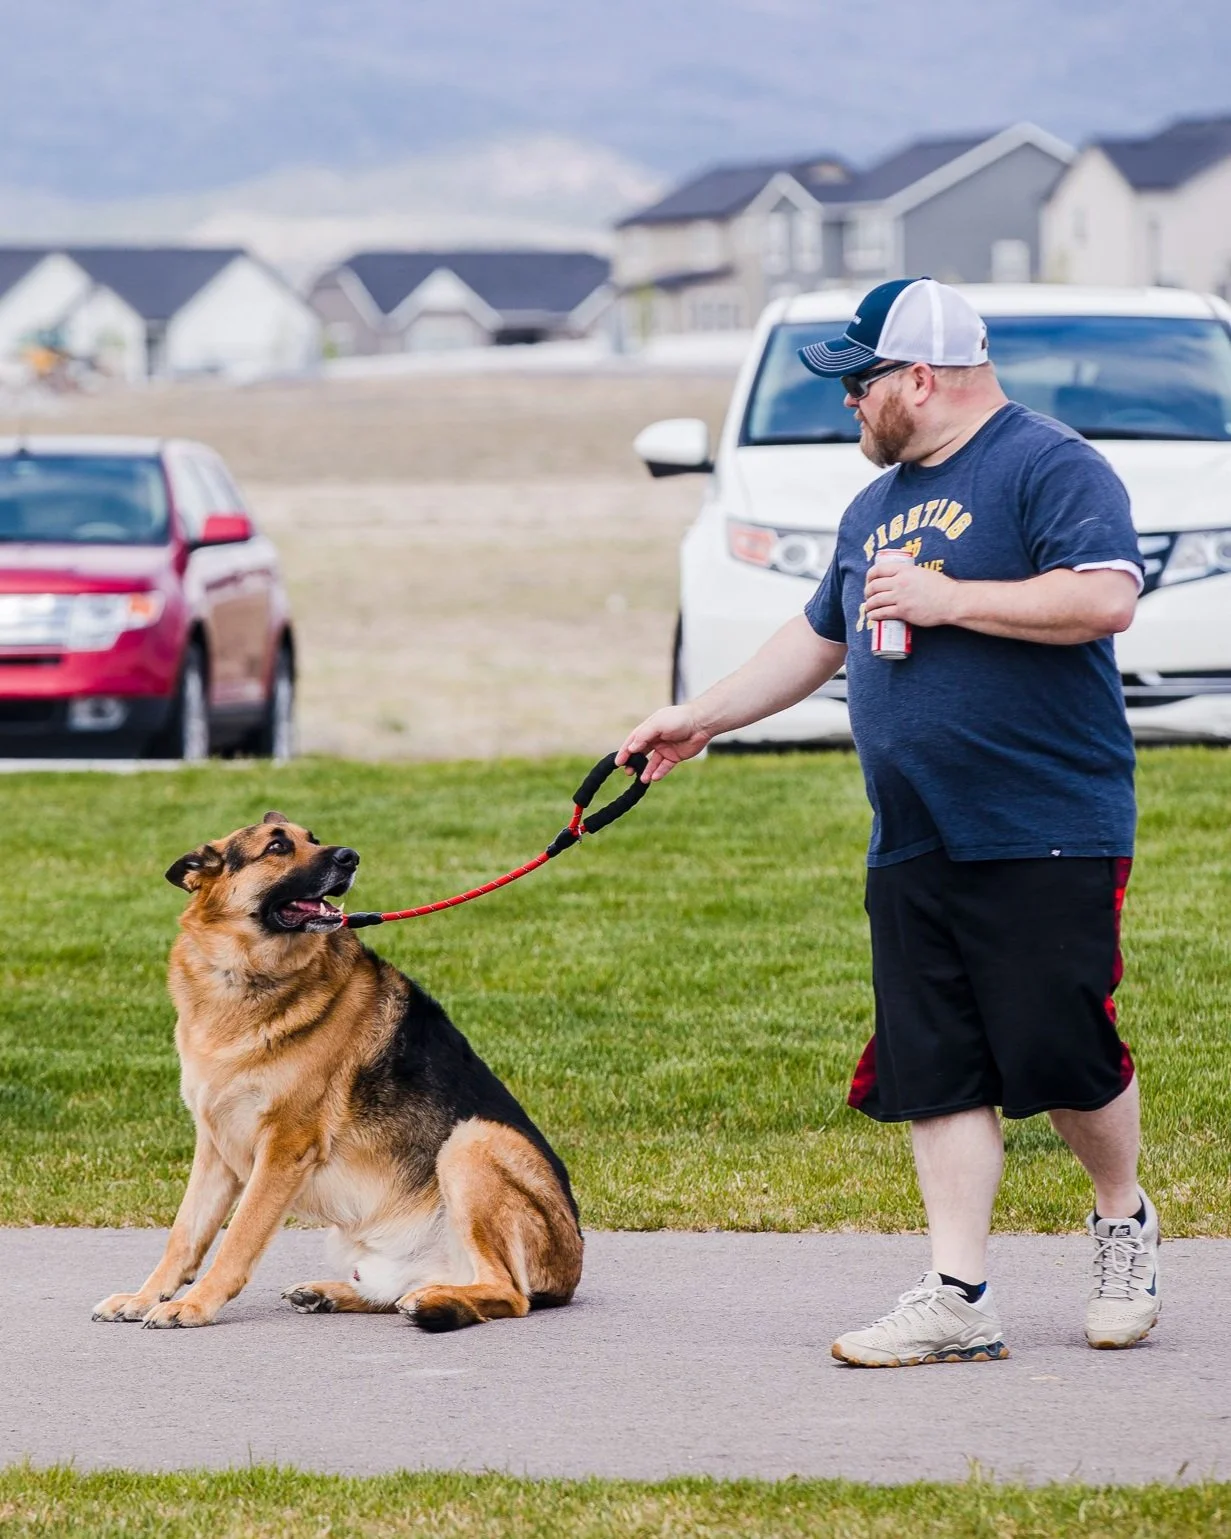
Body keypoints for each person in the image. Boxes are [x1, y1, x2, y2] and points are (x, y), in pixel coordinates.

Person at [617, 277, 1160, 1368]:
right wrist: (699, 717)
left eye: (860, 383)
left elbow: (1104, 596)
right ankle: (957, 1293)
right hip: (913, 830)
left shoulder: (1046, 462)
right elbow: (818, 638)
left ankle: (1121, 1220)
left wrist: (950, 599)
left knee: (1058, 1045)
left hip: (1045, 819)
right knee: (937, 1061)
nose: (849, 405)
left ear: (921, 376)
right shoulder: (872, 509)